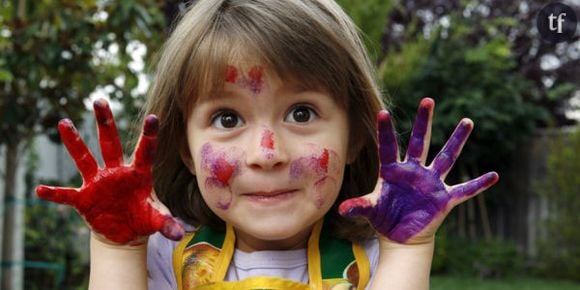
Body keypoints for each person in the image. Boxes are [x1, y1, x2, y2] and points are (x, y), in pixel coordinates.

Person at [36, 0, 499, 289]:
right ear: (185, 150)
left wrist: (408, 250)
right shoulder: (162, 259)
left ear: (356, 137)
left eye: (301, 113)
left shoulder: (375, 264)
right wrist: (116, 248)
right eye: (227, 118)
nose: (266, 152)